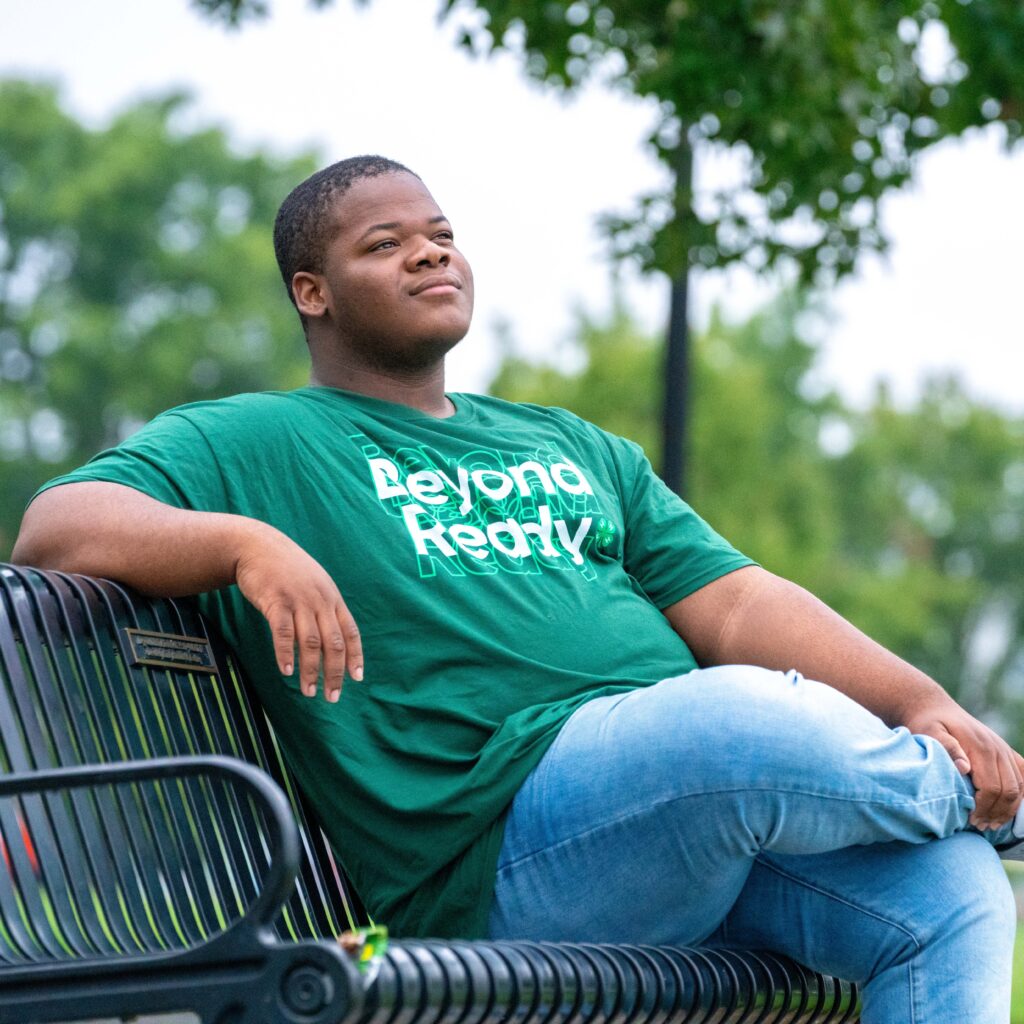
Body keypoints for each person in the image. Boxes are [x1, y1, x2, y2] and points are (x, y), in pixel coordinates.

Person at [12, 155, 1023, 1023]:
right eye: (385, 242)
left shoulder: (567, 442)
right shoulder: (256, 440)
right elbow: (56, 529)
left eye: (441, 234)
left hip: (685, 825)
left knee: (951, 889)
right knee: (733, 722)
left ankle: (976, 810)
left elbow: (739, 604)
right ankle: (988, 801)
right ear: (312, 290)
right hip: (501, 855)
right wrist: (241, 543)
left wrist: (922, 703)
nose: (428, 252)